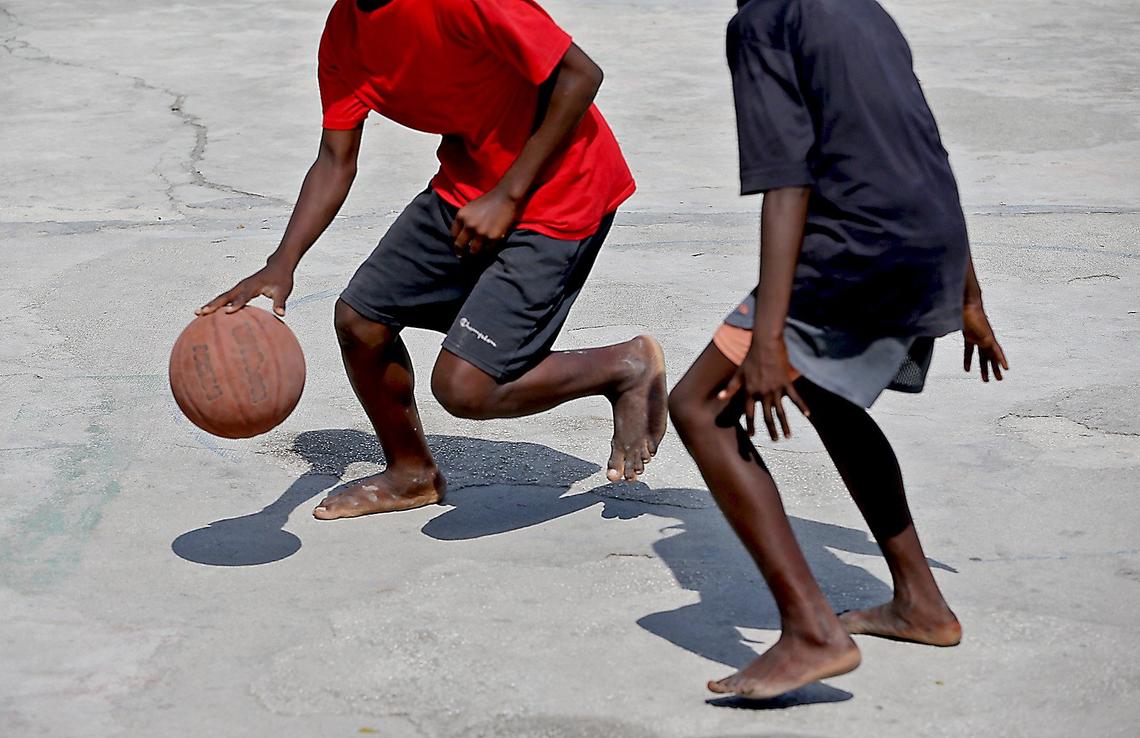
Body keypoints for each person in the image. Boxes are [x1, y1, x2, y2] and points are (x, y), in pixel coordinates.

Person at [199, 0, 667, 519]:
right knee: (361, 319)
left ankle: (623, 367)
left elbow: (581, 75)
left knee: (466, 387)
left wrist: (508, 195)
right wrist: (282, 262)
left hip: (562, 193)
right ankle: (411, 473)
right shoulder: (345, 35)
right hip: (468, 191)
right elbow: (336, 158)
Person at [668, 0, 1009, 699]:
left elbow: (786, 177)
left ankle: (811, 633)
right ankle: (921, 602)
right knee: (822, 390)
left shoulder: (762, 20)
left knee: (698, 404)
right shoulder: (865, 10)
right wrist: (969, 295)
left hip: (853, 250)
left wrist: (768, 337)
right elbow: (927, 145)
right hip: (927, 237)